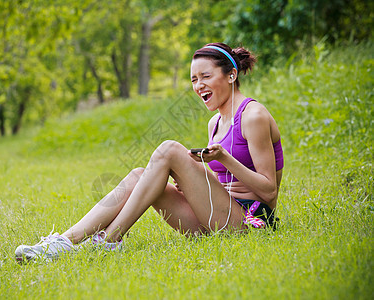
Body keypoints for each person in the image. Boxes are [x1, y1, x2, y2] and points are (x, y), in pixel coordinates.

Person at [15, 42, 284, 262]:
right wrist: (190, 179)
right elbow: (223, 183)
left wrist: (224, 158)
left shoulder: (253, 116)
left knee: (169, 149)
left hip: (249, 224)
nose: (198, 86)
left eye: (206, 77)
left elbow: (269, 190)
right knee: (138, 175)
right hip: (216, 217)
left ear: (231, 75)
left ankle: (108, 241)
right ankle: (63, 242)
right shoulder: (215, 122)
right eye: (193, 79)